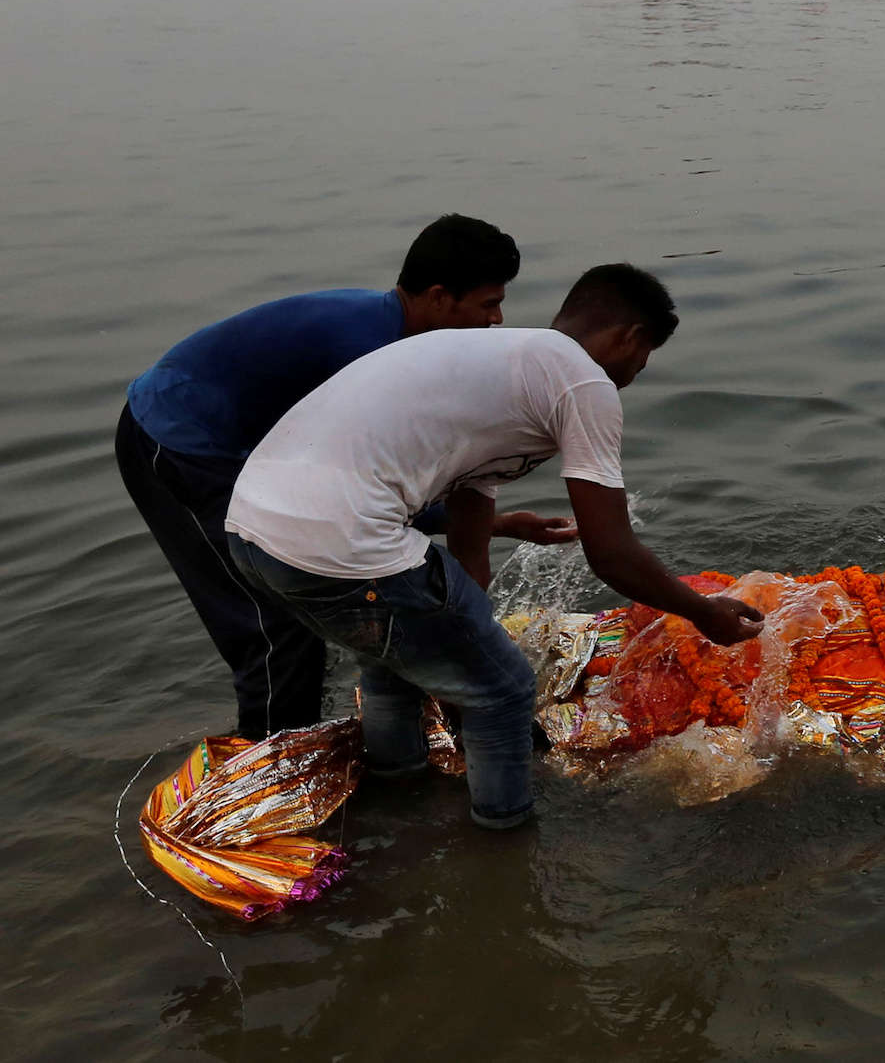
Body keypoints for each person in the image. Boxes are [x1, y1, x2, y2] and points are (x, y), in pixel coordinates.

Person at [225, 264, 766, 830]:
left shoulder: (494, 361)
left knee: (395, 661)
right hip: (340, 543)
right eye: (644, 356)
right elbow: (611, 551)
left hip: (251, 531)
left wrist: (466, 627)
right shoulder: (582, 382)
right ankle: (504, 847)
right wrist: (702, 612)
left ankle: (401, 801)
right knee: (504, 691)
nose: (636, 372)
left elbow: (469, 526)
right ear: (629, 337)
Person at [115, 215, 559, 741]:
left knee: (314, 604)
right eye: (488, 305)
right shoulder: (370, 354)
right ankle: (273, 779)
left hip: (240, 447)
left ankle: (314, 740)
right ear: (439, 297)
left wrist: (497, 522)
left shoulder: (396, 337)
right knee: (271, 627)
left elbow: (378, 495)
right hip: (178, 441)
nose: (498, 319)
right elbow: (363, 492)